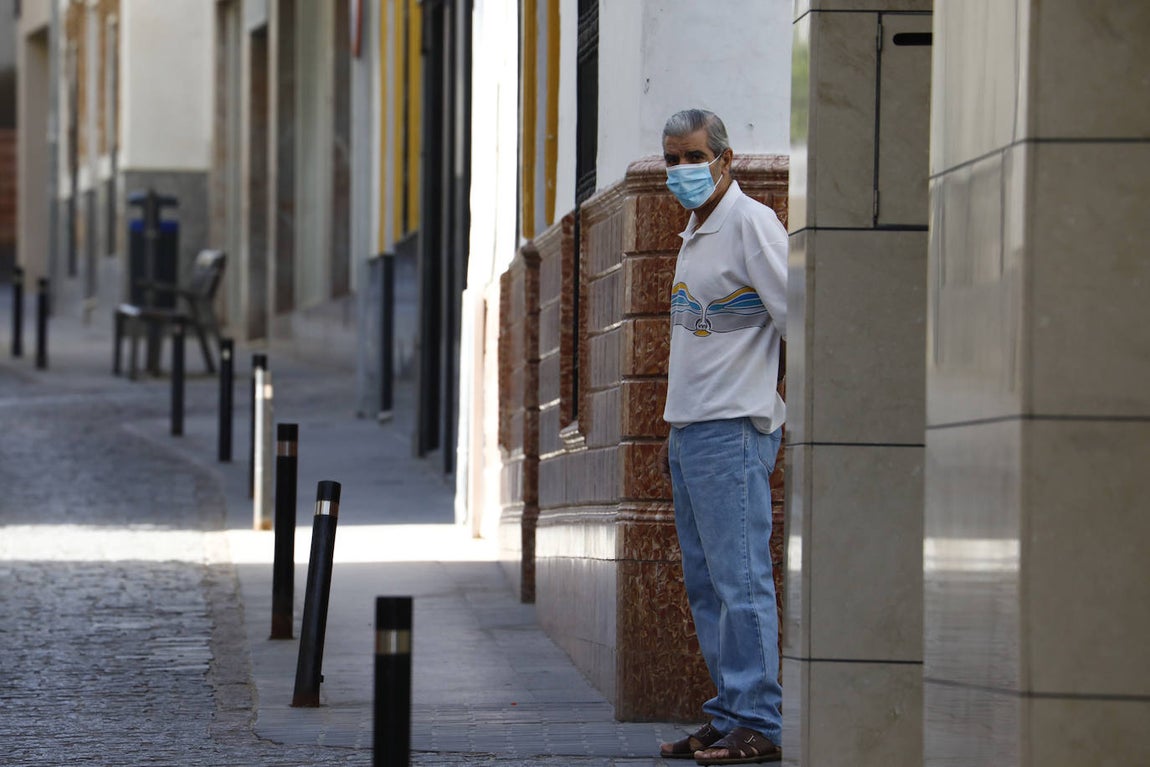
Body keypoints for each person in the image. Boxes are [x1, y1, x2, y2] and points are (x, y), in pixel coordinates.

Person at [656, 109, 787, 765]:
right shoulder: (695, 232)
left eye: (694, 156)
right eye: (672, 158)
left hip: (733, 430)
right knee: (709, 585)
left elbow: (801, 318)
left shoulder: (751, 225)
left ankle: (760, 719)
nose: (682, 169)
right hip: (691, 433)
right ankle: (731, 710)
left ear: (726, 159)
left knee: (742, 582)